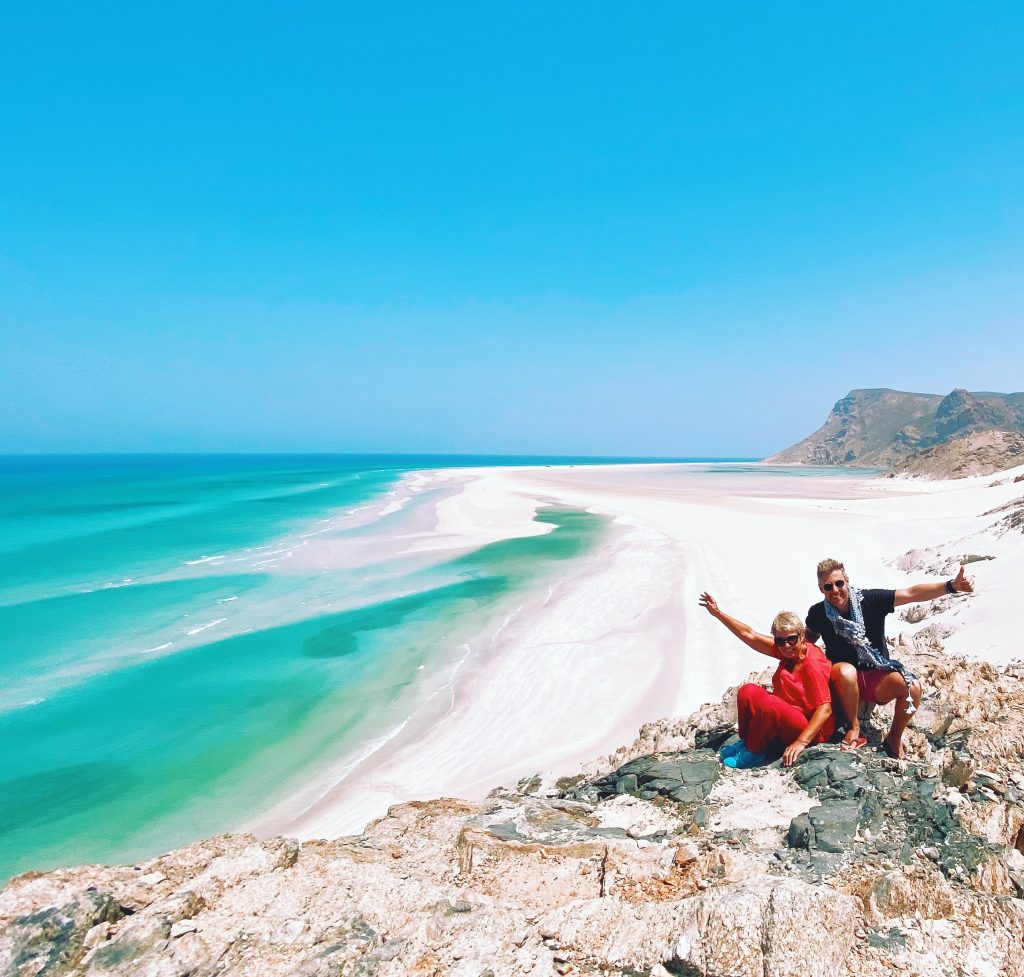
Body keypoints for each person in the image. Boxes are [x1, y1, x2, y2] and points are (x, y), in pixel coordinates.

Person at [807, 558, 974, 759]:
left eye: (839, 583)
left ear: (847, 580)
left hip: (875, 675)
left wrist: (951, 586)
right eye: (828, 586)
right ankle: (854, 726)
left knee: (912, 686)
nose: (835, 590)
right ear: (821, 589)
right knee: (846, 670)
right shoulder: (818, 613)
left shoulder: (870, 600)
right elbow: (808, 640)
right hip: (842, 681)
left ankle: (894, 737)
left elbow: (911, 594)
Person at [699, 593, 835, 768]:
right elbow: (750, 635)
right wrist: (718, 613)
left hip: (811, 729)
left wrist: (801, 742)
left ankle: (754, 751)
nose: (786, 645)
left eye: (791, 639)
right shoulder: (789, 653)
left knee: (771, 704)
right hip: (790, 715)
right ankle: (747, 742)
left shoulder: (812, 663)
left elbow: (825, 708)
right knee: (748, 691)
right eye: (780, 641)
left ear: (802, 636)